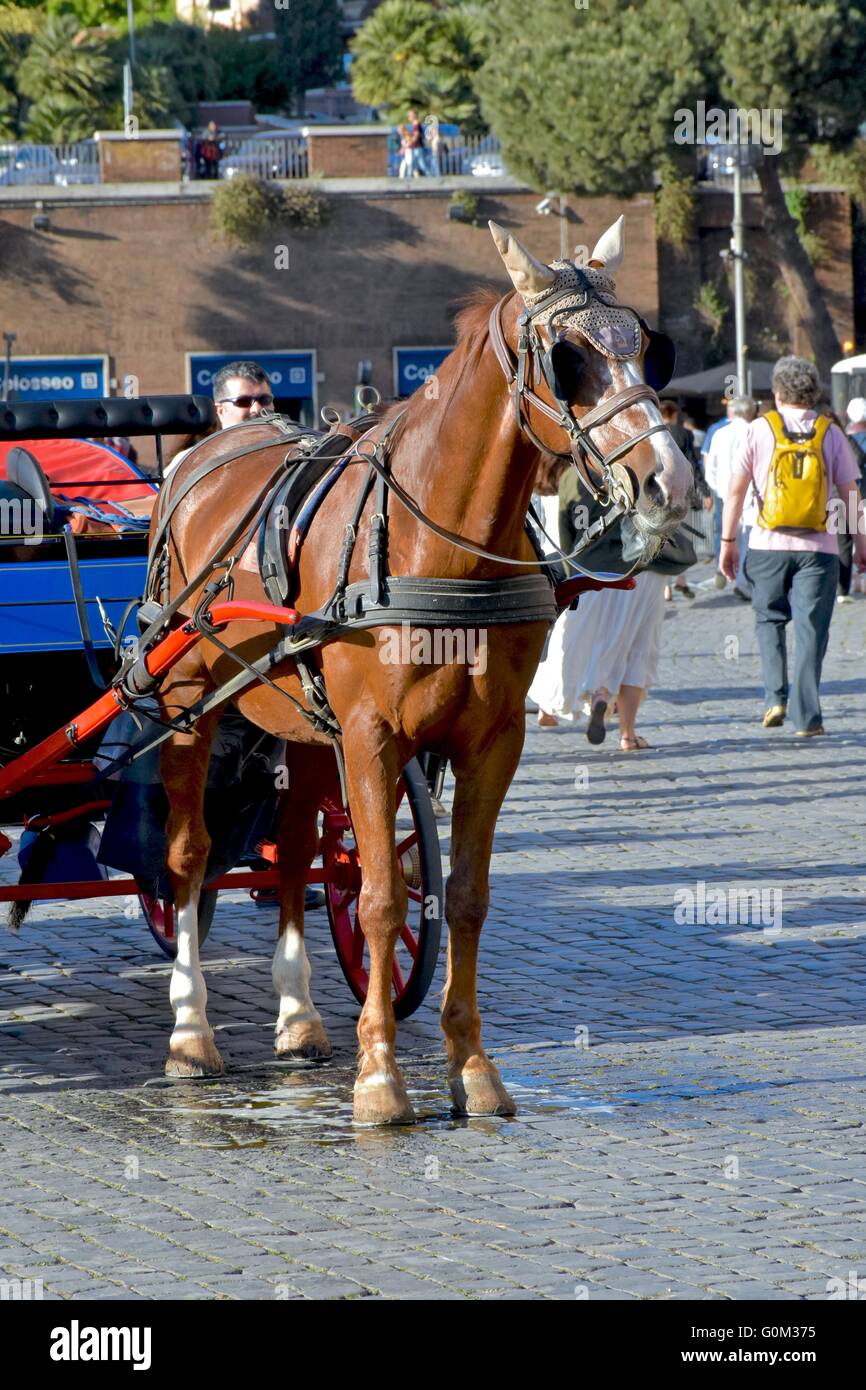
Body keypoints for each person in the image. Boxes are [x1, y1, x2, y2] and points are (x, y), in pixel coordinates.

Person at [720, 355, 866, 736]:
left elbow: (735, 491)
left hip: (767, 544)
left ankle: (774, 698)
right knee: (811, 629)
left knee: (769, 620)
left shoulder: (758, 429)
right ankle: (807, 716)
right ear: (814, 391)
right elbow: (850, 493)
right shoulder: (830, 432)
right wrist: (861, 542)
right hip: (819, 549)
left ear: (779, 392)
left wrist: (727, 542)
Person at [529, 467, 684, 749]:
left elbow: (564, 536)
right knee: (639, 647)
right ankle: (627, 733)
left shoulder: (569, 479)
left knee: (589, 639)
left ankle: (581, 698)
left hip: (591, 571)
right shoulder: (639, 465)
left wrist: (567, 578)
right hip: (644, 568)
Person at [165, 360, 274, 479]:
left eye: (264, 400)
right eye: (244, 402)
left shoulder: (292, 453)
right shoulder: (191, 461)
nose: (256, 409)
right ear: (221, 410)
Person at [703, 396, 757, 598]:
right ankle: (744, 581)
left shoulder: (719, 434)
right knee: (749, 539)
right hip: (752, 494)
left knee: (728, 535)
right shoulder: (755, 432)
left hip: (726, 495)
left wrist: (719, 491)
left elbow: (710, 469)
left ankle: (729, 572)